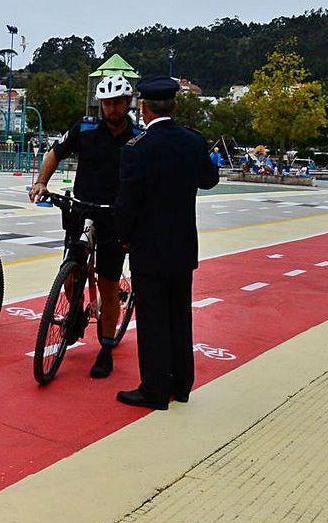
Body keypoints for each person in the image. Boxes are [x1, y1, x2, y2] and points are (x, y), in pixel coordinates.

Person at [114, 75, 220, 410]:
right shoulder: (193, 141)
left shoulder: (138, 149)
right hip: (183, 245)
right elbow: (209, 179)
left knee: (152, 319)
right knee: (179, 315)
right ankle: (182, 384)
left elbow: (127, 201)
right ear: (173, 105)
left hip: (148, 247)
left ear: (143, 109)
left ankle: (155, 390)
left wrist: (124, 237)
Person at [29, 74, 139, 378]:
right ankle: (75, 309)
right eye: (106, 103)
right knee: (71, 268)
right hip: (81, 208)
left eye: (117, 103)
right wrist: (41, 182)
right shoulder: (85, 128)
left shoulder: (138, 137)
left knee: (107, 281)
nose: (112, 109)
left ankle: (105, 347)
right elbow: (55, 153)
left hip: (114, 216)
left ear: (128, 103)